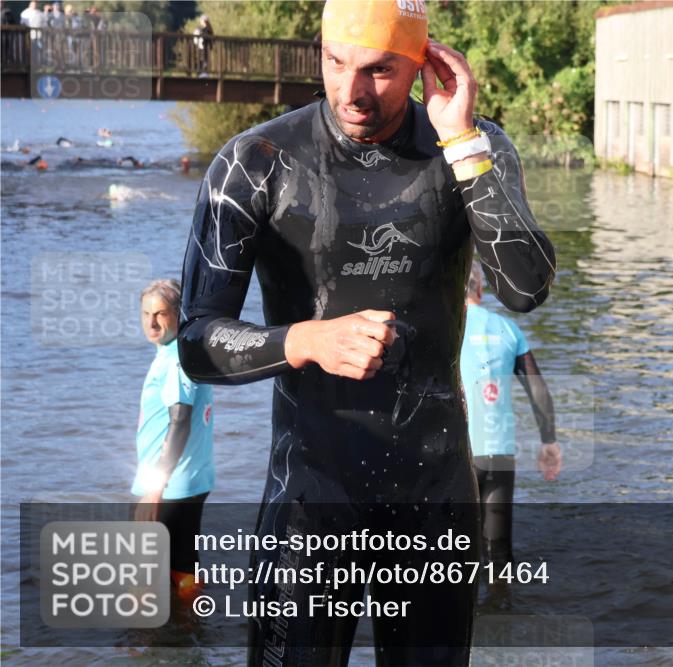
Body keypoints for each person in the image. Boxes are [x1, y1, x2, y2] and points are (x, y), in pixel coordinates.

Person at [177, 0, 555, 663]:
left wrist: (462, 143)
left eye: (380, 70)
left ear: (423, 63)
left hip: (434, 502)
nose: (352, 92)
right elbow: (195, 342)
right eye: (335, 62)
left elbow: (526, 288)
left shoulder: (473, 146)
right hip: (308, 501)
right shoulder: (255, 163)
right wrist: (304, 341)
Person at [460, 263, 561, 609]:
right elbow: (539, 391)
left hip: (459, 455)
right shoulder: (507, 329)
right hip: (499, 454)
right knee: (498, 548)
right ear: (481, 291)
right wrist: (549, 442)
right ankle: (501, 612)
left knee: (455, 548)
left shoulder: (448, 330)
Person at [133, 279, 215, 601]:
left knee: (141, 578)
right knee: (183, 566)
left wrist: (155, 486)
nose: (152, 322)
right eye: (145, 314)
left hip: (167, 487)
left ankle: (143, 648)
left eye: (161, 314)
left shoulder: (174, 360)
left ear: (178, 315)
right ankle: (190, 640)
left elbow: (179, 422)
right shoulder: (183, 351)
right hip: (191, 482)